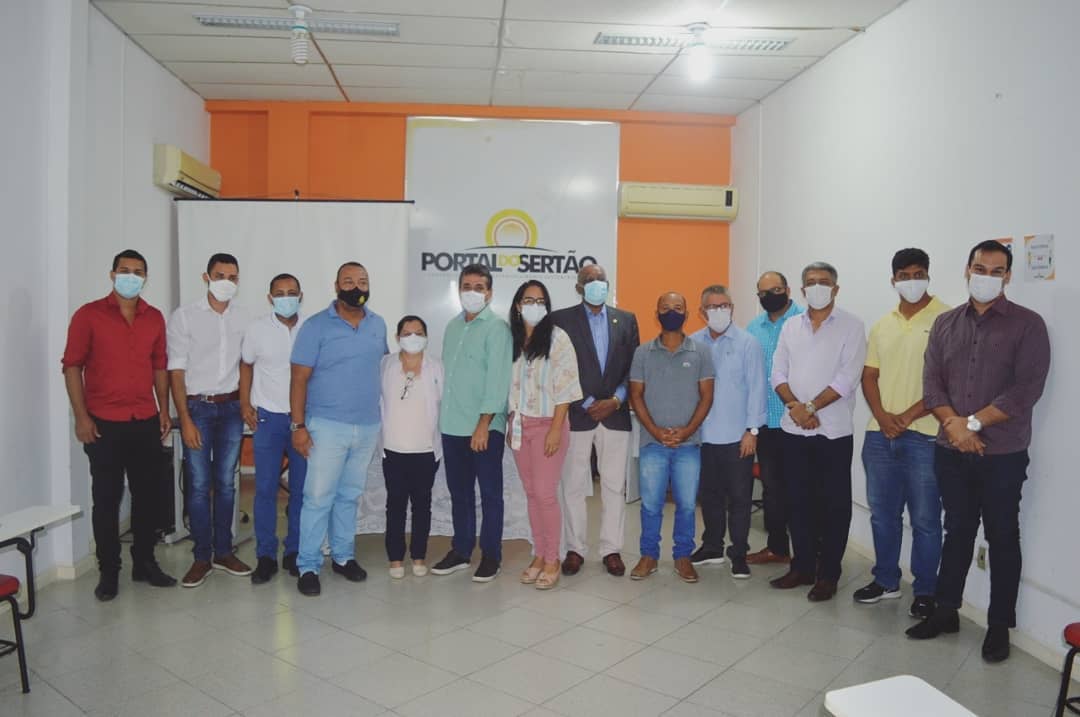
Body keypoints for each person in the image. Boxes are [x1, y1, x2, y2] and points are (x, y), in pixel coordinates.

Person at [907, 240, 1050, 663]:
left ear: (1008, 276)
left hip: (1002, 454)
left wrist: (971, 424)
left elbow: (1025, 390)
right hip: (951, 450)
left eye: (996, 270)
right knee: (957, 531)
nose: (986, 277)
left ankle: (999, 626)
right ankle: (946, 611)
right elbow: (932, 384)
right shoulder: (946, 323)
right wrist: (955, 426)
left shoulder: (1028, 325)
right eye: (980, 268)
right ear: (967, 270)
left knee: (1002, 537)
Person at [62, 249, 176, 601]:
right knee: (107, 499)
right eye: (124, 270)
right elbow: (72, 366)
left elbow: (159, 367)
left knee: (148, 496)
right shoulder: (89, 315)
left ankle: (144, 562)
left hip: (144, 419)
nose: (131, 276)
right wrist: (81, 417)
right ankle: (109, 570)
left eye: (138, 271)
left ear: (145, 278)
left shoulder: (154, 318)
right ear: (112, 275)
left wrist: (163, 410)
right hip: (103, 424)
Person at [854, 249, 948, 619]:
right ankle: (886, 580)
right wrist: (882, 416)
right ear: (893, 280)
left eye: (918, 273)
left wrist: (906, 417)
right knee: (882, 515)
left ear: (928, 275)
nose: (912, 281)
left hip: (925, 436)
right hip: (880, 435)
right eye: (904, 275)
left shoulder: (947, 320)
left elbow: (946, 381)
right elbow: (869, 375)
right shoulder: (883, 324)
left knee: (925, 520)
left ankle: (925, 591)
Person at [769, 262, 866, 602]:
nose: (817, 287)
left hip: (833, 433)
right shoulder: (790, 326)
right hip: (793, 430)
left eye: (824, 282)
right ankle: (802, 567)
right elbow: (777, 373)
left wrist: (809, 408)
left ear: (836, 289)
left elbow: (847, 378)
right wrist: (796, 407)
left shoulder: (852, 326)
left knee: (833, 506)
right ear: (802, 289)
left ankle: (828, 574)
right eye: (810, 282)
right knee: (797, 502)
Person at [290, 262, 387, 596]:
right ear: (336, 286)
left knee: (349, 496)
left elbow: (382, 368)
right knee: (318, 498)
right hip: (326, 426)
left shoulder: (378, 324)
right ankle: (308, 565)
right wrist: (298, 425)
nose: (356, 287)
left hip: (367, 426)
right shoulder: (316, 326)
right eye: (348, 281)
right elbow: (298, 379)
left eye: (363, 281)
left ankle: (343, 557)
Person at [168, 253, 253, 588]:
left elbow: (246, 366)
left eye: (232, 277)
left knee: (227, 484)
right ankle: (202, 556)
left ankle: (224, 552)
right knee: (200, 485)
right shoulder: (185, 317)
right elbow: (176, 372)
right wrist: (185, 419)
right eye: (220, 275)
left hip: (230, 409)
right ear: (206, 277)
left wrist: (245, 404)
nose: (226, 282)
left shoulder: (244, 318)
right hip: (198, 409)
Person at [550, 264, 639, 577]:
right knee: (572, 485)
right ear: (578, 286)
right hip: (577, 414)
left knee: (614, 486)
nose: (596, 284)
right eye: (589, 280)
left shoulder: (626, 320)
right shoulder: (560, 320)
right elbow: (559, 368)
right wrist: (588, 403)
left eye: (600, 279)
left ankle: (611, 549)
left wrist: (615, 400)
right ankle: (575, 549)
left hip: (615, 413)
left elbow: (634, 368)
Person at [432, 263, 513, 582]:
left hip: (484, 428)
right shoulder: (453, 327)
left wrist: (484, 424)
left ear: (489, 293)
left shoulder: (497, 328)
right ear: (459, 290)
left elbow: (498, 381)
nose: (472, 292)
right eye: (467, 286)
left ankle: (492, 555)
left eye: (479, 287)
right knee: (460, 493)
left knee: (490, 494)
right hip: (453, 425)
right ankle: (461, 550)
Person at [628, 292, 715, 583]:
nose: (671, 312)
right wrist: (655, 431)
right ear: (657, 314)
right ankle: (648, 556)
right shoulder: (642, 353)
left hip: (689, 444)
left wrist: (686, 431)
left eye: (677, 308)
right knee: (650, 504)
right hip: (653, 442)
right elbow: (636, 395)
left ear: (687, 315)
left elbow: (707, 396)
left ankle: (683, 557)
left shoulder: (701, 352)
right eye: (665, 308)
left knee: (687, 505)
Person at [508, 280, 583, 590]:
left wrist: (555, 429)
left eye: (540, 301)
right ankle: (539, 554)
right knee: (531, 493)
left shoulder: (557, 338)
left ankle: (553, 558)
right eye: (528, 300)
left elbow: (566, 388)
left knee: (545, 493)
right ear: (517, 306)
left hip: (548, 424)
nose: (534, 306)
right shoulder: (510, 339)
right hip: (518, 426)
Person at [689, 285, 766, 579]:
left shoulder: (748, 343)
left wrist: (752, 431)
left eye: (724, 305)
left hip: (738, 437)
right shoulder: (693, 343)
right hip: (703, 436)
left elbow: (757, 388)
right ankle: (712, 547)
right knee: (709, 496)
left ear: (732, 308)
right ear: (702, 312)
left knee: (739, 499)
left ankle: (739, 552)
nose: (719, 311)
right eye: (713, 306)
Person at [239, 273, 307, 584]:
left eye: (292, 292)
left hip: (302, 420)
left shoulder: (311, 328)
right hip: (268, 419)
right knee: (265, 489)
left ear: (301, 296)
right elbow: (246, 365)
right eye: (280, 293)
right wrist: (244, 404)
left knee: (301, 490)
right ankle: (266, 555)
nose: (286, 298)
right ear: (270, 298)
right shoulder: (256, 329)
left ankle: (294, 550)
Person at [744, 271, 804, 566]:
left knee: (803, 489)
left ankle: (808, 553)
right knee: (772, 490)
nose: (770, 296)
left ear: (788, 290)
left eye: (776, 290)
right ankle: (777, 547)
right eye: (763, 293)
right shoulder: (753, 327)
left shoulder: (804, 322)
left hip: (799, 421)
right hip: (766, 422)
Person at [380, 315, 442, 579]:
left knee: (422, 505)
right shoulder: (386, 364)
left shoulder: (437, 367)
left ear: (426, 337)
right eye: (407, 333)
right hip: (393, 449)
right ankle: (395, 557)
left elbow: (443, 404)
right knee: (395, 505)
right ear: (397, 338)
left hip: (426, 450)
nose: (413, 338)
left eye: (418, 333)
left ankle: (419, 555)